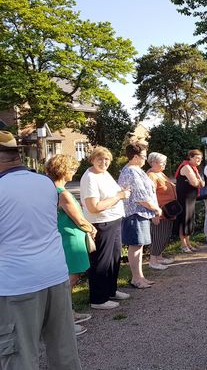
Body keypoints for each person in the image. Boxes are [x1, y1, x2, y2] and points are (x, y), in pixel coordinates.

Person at [0, 131, 82, 369]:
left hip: (16, 284)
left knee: (20, 357)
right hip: (55, 275)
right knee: (64, 351)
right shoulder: (44, 182)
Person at [46, 154, 97, 336]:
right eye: (72, 169)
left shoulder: (51, 190)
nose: (74, 172)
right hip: (71, 237)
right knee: (71, 278)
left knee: (70, 277)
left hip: (65, 234)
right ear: (64, 170)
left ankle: (70, 312)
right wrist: (91, 228)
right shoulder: (63, 193)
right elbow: (79, 219)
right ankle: (62, 320)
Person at [81, 146, 131, 309]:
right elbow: (93, 207)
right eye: (100, 159)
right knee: (101, 261)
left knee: (114, 258)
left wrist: (121, 193)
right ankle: (98, 299)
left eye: (107, 159)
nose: (104, 162)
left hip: (114, 220)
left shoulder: (104, 174)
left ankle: (110, 290)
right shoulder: (90, 177)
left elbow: (111, 195)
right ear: (92, 160)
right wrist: (119, 196)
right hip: (101, 223)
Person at [118, 142, 162, 289]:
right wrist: (156, 209)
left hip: (140, 213)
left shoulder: (137, 170)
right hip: (135, 213)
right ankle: (136, 279)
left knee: (139, 245)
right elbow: (141, 197)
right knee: (136, 245)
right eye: (143, 156)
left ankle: (140, 277)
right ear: (135, 157)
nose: (145, 159)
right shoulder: (131, 171)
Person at [146, 152, 176, 270]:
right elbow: (150, 195)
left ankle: (159, 257)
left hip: (168, 211)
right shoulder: (151, 175)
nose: (164, 164)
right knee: (158, 235)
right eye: (162, 162)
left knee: (164, 234)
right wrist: (155, 213)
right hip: (160, 211)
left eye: (165, 162)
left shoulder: (160, 173)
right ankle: (153, 261)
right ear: (153, 162)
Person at [174, 149, 205, 253]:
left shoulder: (193, 168)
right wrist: (199, 181)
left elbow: (202, 184)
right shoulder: (186, 167)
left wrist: (199, 181)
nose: (199, 160)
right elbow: (195, 183)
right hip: (184, 199)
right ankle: (183, 245)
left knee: (189, 221)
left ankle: (188, 243)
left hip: (190, 199)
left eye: (200, 158)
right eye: (197, 158)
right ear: (190, 157)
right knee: (183, 220)